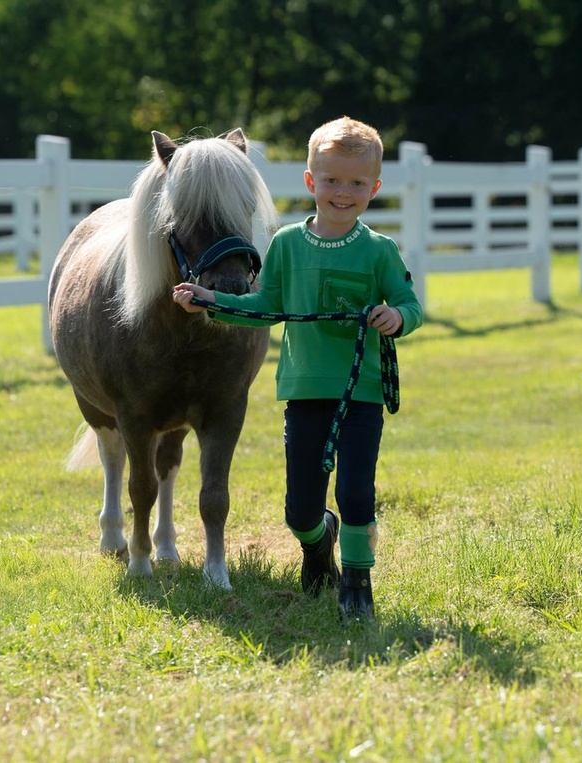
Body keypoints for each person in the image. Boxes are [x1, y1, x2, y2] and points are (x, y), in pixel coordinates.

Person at [173, 117, 423, 622]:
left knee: (357, 491)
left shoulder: (380, 251)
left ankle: (356, 584)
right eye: (331, 180)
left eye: (356, 183)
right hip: (305, 392)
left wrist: (396, 318)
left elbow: (409, 305)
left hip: (362, 395)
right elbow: (265, 303)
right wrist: (211, 301)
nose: (342, 193)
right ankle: (317, 541)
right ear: (311, 182)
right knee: (300, 510)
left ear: (374, 189)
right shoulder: (286, 244)